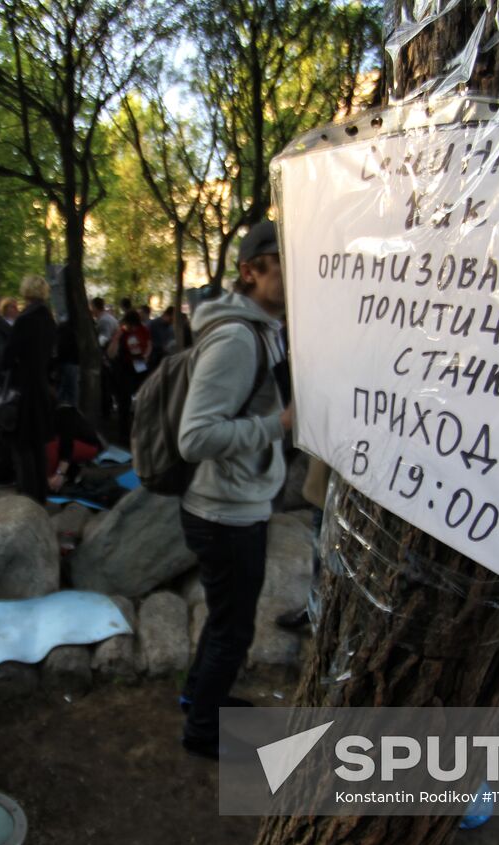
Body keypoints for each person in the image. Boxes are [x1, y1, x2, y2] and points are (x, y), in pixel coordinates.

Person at [176, 221, 291, 760]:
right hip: (224, 512)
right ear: (250, 271)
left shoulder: (264, 329)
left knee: (224, 619)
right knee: (234, 629)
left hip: (232, 503)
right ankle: (203, 729)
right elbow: (194, 437)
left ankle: (198, 697)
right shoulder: (236, 338)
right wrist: (278, 425)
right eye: (284, 263)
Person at [5, 276, 59, 502]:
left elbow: (8, 355)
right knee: (38, 443)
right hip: (42, 387)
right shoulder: (49, 319)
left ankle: (28, 493)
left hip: (24, 389)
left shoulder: (24, 319)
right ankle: (40, 492)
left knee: (23, 443)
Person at [107, 305, 152, 442]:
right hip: (125, 369)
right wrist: (116, 338)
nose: (133, 329)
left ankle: (144, 429)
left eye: (135, 327)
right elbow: (111, 353)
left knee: (144, 399)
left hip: (141, 367)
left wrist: (146, 356)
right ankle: (124, 434)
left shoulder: (143, 330)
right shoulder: (121, 333)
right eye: (131, 326)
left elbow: (149, 344)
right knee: (124, 401)